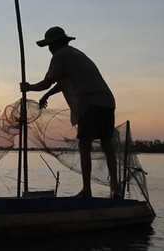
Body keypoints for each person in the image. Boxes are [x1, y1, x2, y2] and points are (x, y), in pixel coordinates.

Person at [20, 26, 120, 198]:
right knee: (107, 144)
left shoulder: (61, 56)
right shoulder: (75, 54)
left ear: (56, 43)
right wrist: (46, 95)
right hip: (106, 101)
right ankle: (115, 189)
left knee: (85, 144)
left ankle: (86, 191)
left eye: (49, 45)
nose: (49, 49)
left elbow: (47, 81)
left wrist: (29, 88)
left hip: (90, 102)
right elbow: (61, 81)